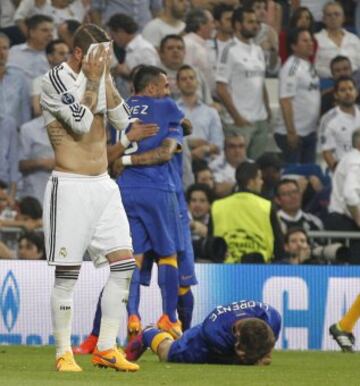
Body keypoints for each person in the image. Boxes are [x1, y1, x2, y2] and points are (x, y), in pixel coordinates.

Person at [40, 24, 139, 372]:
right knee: (67, 274)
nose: (105, 59)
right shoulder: (54, 79)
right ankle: (63, 353)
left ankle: (107, 347)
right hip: (70, 186)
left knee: (124, 265)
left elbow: (124, 120)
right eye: (100, 53)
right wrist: (95, 80)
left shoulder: (102, 76)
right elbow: (80, 124)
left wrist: (106, 78)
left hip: (103, 185)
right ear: (80, 54)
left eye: (108, 53)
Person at [125, 299, 281, 366]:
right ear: (237, 339)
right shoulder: (214, 334)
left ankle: (176, 333)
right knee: (167, 353)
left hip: (227, 333)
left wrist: (262, 353)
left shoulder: (272, 318)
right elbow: (238, 359)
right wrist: (254, 358)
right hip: (201, 342)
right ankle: (149, 332)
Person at [216, 6, 271, 160]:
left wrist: (267, 109)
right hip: (239, 122)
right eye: (250, 22)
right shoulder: (229, 50)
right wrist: (237, 117)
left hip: (260, 119)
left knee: (256, 167)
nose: (255, 25)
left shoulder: (258, 50)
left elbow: (261, 82)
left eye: (256, 22)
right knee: (238, 168)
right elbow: (221, 88)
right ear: (238, 25)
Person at [212, 161, 284, 263]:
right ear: (251, 181)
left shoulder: (217, 206)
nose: (262, 182)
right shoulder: (266, 206)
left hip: (224, 270)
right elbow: (279, 246)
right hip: (259, 270)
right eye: (259, 178)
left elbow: (211, 244)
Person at [274, 27, 320, 164]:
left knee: (308, 174)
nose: (310, 43)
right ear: (293, 46)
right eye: (305, 41)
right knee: (294, 176)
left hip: (309, 131)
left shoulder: (308, 65)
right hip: (294, 133)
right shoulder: (291, 68)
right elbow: (285, 100)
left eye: (311, 40)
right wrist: (291, 132)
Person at [326, 129, 360, 264]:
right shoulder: (356, 162)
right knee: (353, 271)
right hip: (345, 222)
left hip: (340, 220)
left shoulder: (349, 158)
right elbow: (350, 194)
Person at [320, 76, 360, 172]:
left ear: (356, 92)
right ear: (336, 95)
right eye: (343, 90)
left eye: (351, 89)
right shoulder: (328, 119)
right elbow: (327, 152)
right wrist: (339, 174)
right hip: (343, 171)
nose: (348, 93)